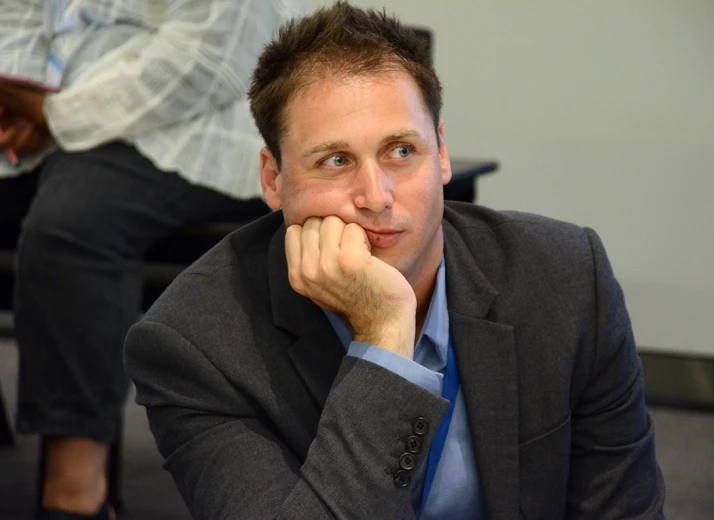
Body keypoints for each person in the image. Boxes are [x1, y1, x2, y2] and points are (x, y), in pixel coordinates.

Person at [125, 3, 667, 519]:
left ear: (443, 152)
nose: (376, 195)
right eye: (335, 161)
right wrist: (385, 337)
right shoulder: (195, 342)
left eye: (401, 152)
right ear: (273, 179)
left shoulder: (564, 276)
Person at [0, 1, 308, 518]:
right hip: (44, 105)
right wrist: (16, 94)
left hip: (187, 119)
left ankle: (76, 489)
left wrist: (54, 114)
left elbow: (203, 61)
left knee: (72, 227)